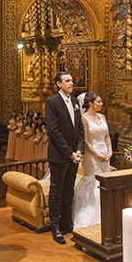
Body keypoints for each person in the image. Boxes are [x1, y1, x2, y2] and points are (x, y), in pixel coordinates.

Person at [44, 71, 84, 244]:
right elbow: (53, 131)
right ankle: (55, 227)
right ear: (58, 84)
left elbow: (80, 128)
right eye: (67, 81)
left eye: (72, 81)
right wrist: (69, 152)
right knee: (56, 191)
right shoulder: (52, 102)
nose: (71, 83)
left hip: (74, 154)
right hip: (60, 155)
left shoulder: (75, 101)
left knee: (69, 190)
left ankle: (67, 223)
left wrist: (79, 150)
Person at [72, 91, 111, 229]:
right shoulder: (84, 118)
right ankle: (90, 216)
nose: (101, 104)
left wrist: (109, 151)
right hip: (91, 154)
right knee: (93, 180)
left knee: (105, 179)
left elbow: (106, 136)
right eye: (99, 101)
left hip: (104, 153)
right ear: (90, 103)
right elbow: (86, 140)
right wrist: (96, 154)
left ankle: (105, 214)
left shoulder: (102, 117)